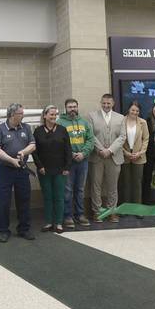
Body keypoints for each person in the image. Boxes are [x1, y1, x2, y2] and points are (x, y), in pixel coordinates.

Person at [0, 103, 36, 243]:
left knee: (24, 199)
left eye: (22, 113)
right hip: (4, 170)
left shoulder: (26, 127)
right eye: (20, 113)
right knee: (3, 201)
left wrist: (23, 152)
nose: (22, 115)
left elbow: (33, 145)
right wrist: (11, 160)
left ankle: (24, 229)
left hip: (21, 169)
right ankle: (4, 230)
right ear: (12, 115)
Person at [87, 94, 126, 223]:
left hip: (114, 157)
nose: (106, 105)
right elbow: (90, 135)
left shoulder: (120, 118)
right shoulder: (92, 116)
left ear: (113, 103)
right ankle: (97, 212)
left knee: (112, 186)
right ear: (101, 102)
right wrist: (101, 150)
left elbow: (122, 137)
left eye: (108, 103)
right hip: (97, 156)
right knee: (96, 185)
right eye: (104, 103)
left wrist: (110, 150)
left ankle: (112, 212)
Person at [32, 105, 72, 233]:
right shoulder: (38, 131)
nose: (54, 117)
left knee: (59, 196)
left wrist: (67, 167)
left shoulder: (62, 130)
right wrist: (40, 166)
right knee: (48, 196)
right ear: (45, 116)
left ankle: (59, 223)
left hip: (60, 169)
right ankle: (49, 222)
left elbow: (68, 150)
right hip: (44, 170)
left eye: (55, 115)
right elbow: (34, 152)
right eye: (51, 114)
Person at [57, 98, 95, 229]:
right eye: (69, 107)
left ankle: (80, 215)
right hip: (68, 162)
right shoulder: (60, 123)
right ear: (65, 109)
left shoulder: (84, 122)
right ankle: (67, 216)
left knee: (80, 189)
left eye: (74, 106)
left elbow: (90, 140)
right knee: (67, 190)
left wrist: (83, 153)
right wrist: (71, 154)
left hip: (83, 161)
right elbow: (58, 142)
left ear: (77, 107)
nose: (72, 109)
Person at [119, 101, 149, 205]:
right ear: (128, 109)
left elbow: (146, 139)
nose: (135, 112)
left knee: (137, 184)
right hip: (124, 156)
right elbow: (118, 139)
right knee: (125, 183)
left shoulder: (143, 122)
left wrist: (140, 153)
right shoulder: (121, 121)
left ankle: (137, 208)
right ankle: (126, 207)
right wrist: (125, 152)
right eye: (133, 110)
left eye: (137, 110)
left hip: (139, 157)